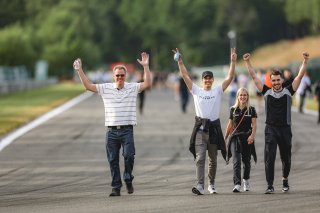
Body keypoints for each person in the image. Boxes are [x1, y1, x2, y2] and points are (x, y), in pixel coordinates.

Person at [73, 52, 151, 197]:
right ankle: (116, 186)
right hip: (111, 131)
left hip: (127, 130)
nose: (120, 78)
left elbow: (147, 84)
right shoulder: (105, 88)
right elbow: (88, 86)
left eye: (122, 75)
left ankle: (128, 177)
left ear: (125, 76)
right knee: (113, 160)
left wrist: (146, 67)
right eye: (117, 75)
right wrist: (79, 71)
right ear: (113, 76)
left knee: (129, 156)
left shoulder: (132, 87)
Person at [243, 51, 309, 194]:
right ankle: (270, 185)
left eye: (278, 80)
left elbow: (300, 76)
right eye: (273, 80)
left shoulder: (288, 90)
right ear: (270, 81)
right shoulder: (266, 91)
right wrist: (248, 62)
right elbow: (254, 76)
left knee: (286, 158)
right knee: (269, 157)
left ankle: (285, 179)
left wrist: (305, 61)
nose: (276, 82)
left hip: (285, 129)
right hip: (270, 129)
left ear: (281, 80)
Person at [172, 47, 236, 195]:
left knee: (213, 159)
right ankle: (200, 185)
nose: (207, 80)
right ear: (202, 81)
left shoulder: (218, 91)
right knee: (200, 158)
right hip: (201, 130)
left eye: (209, 78)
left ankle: (211, 184)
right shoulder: (196, 90)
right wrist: (180, 62)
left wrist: (233, 62)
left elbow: (230, 77)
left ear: (213, 80)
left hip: (213, 129)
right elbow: (185, 75)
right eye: (205, 78)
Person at [224, 87, 257, 193]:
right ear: (237, 97)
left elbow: (254, 125)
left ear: (247, 96)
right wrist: (225, 137)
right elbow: (230, 125)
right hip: (235, 137)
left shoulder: (251, 109)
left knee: (246, 161)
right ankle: (237, 184)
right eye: (240, 95)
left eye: (245, 95)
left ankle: (246, 180)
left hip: (247, 137)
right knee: (236, 161)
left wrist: (252, 135)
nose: (242, 97)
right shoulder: (233, 110)